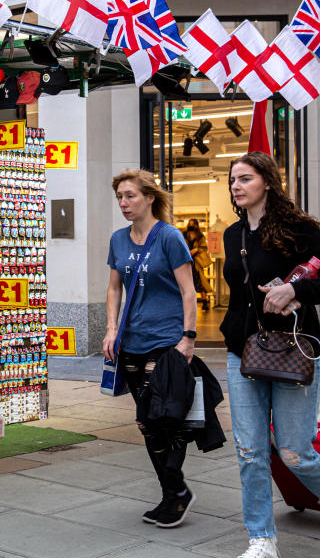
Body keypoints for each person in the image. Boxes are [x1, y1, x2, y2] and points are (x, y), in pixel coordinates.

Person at [221, 153, 320, 558]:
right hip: (244, 353)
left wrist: (294, 291)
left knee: (295, 451)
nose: (236, 186)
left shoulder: (299, 230)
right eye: (232, 181)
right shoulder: (232, 234)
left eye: (244, 179)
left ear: (267, 183)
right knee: (250, 450)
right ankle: (261, 538)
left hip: (295, 351)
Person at [103, 169, 200, 528]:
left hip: (165, 342)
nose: (124, 203)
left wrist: (187, 337)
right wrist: (111, 329)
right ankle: (173, 492)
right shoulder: (118, 239)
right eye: (120, 197)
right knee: (147, 422)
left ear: (149, 198)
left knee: (162, 417)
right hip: (132, 342)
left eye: (130, 196)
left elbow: (188, 291)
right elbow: (114, 288)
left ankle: (175, 490)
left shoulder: (170, 238)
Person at [183, 218, 213, 310]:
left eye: (193, 224)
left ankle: (204, 302)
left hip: (196, 262)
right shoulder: (184, 235)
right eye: (190, 224)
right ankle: (187, 303)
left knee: (200, 281)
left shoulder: (200, 236)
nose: (191, 226)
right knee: (186, 283)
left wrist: (196, 250)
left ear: (197, 225)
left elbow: (204, 248)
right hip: (186, 261)